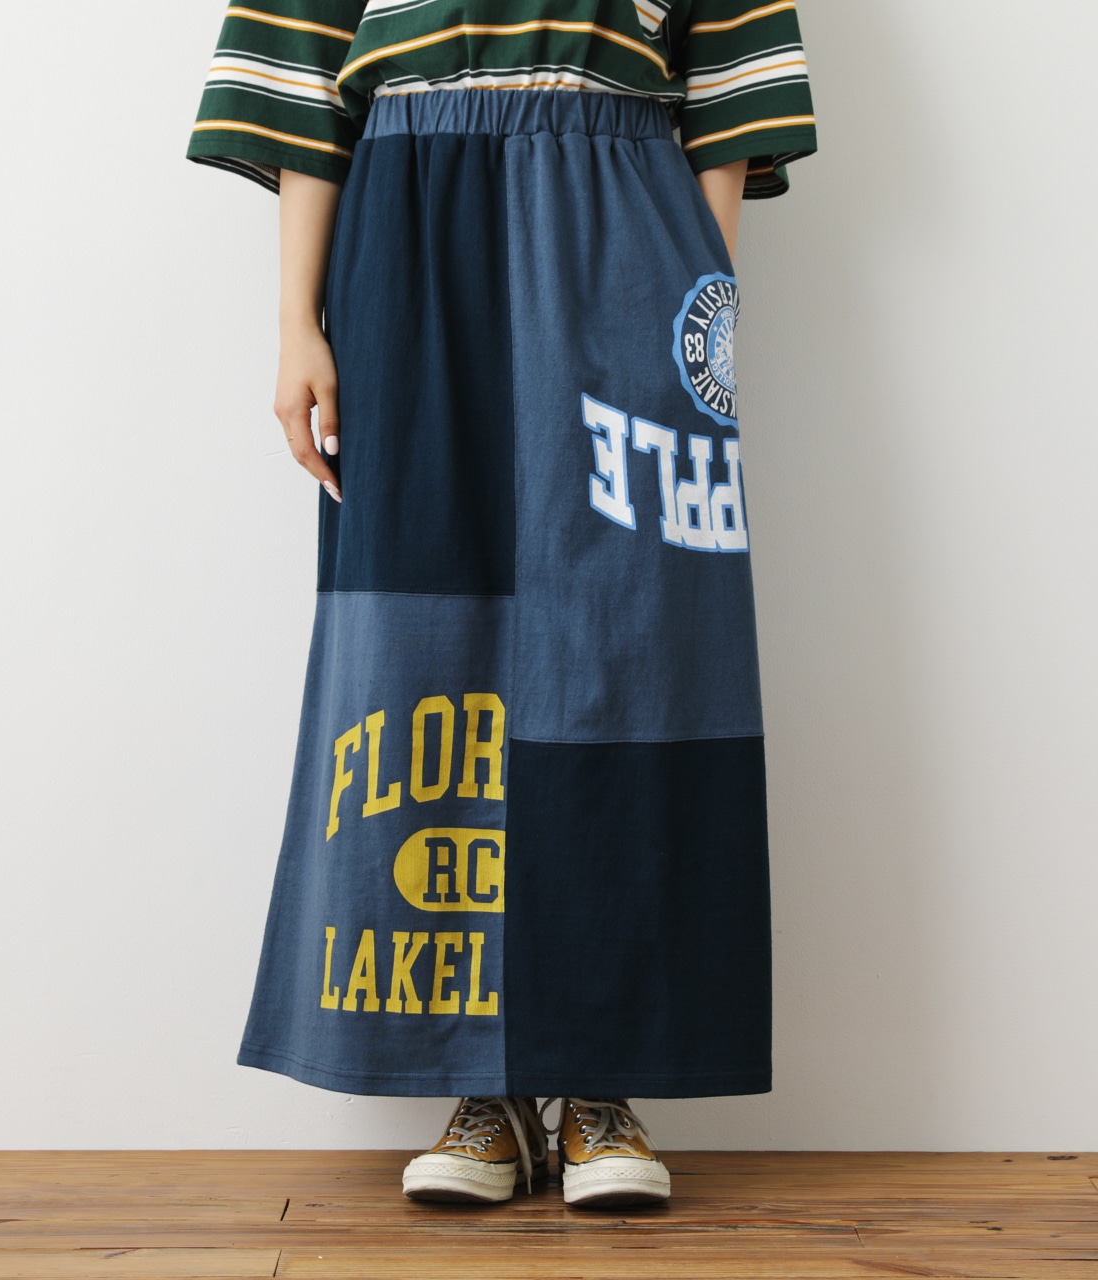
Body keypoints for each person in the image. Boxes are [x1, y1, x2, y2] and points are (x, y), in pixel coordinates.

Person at [187, 0, 816, 1209]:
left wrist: (703, 310)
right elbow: (307, 87)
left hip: (625, 218)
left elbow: (728, 99)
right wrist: (295, 322)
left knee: (633, 645)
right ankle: (478, 1084)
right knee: (411, 633)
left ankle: (599, 1079)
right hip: (407, 223)